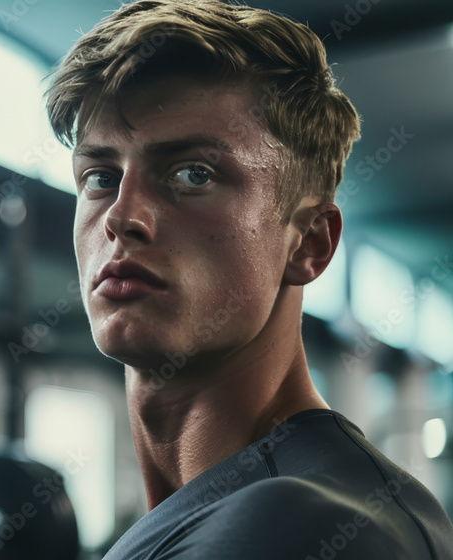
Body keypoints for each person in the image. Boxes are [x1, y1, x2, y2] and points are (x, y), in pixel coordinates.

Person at [44, 1, 453, 558]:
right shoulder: (245, 511)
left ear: (309, 243)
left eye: (193, 174)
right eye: (100, 177)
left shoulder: (290, 525)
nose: (121, 217)